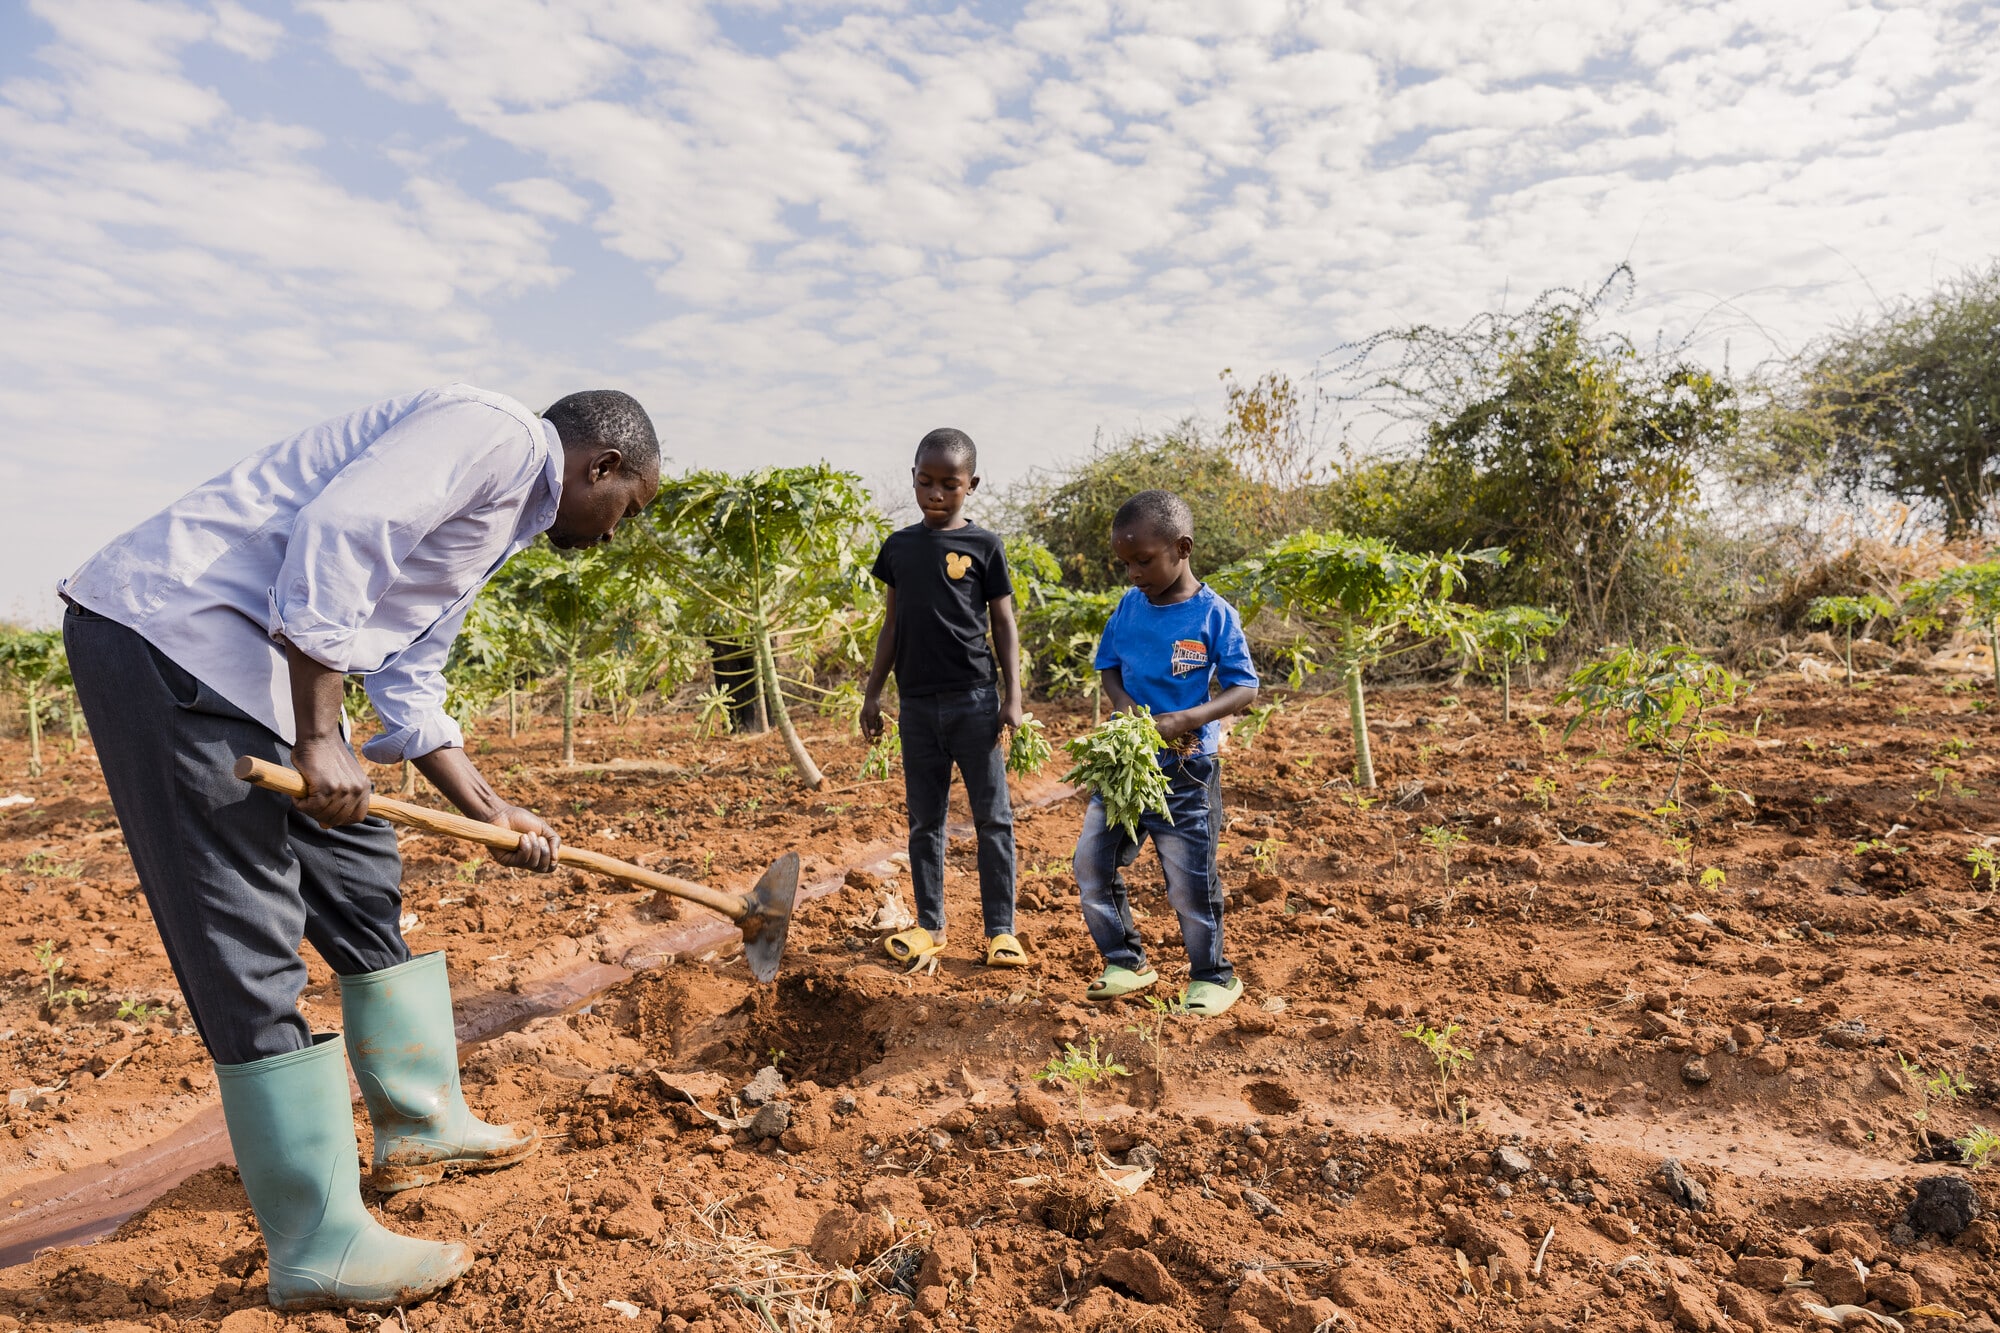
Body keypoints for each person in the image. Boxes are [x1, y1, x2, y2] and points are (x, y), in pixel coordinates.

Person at [59, 384, 660, 1312]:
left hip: (254, 675)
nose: (620, 532)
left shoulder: (496, 521)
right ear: (603, 466)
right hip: (171, 640)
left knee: (358, 866)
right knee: (245, 925)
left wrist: (494, 809)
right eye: (631, 508)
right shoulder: (497, 436)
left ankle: (421, 1121)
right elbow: (342, 531)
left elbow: (411, 675)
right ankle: (318, 1239)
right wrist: (318, 731)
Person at [1072, 489, 1258, 1016]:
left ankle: (1213, 976)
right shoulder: (1129, 607)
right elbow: (1107, 664)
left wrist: (1186, 719)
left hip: (1187, 769)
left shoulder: (1214, 615)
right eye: (1125, 563)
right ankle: (1125, 961)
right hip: (1125, 765)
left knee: (1189, 881)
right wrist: (1127, 706)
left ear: (1182, 547)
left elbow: (1244, 689)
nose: (1133, 573)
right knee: (1092, 861)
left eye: (1144, 560)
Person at [859, 428, 1028, 973]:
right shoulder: (899, 548)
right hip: (917, 708)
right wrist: (873, 692)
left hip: (975, 701)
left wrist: (1013, 698)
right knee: (924, 823)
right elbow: (892, 623)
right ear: (913, 477)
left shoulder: (986, 546)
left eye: (949, 485)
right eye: (926, 481)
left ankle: (1001, 932)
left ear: (970, 485)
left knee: (993, 820)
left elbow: (1003, 623)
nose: (935, 494)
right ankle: (931, 926)